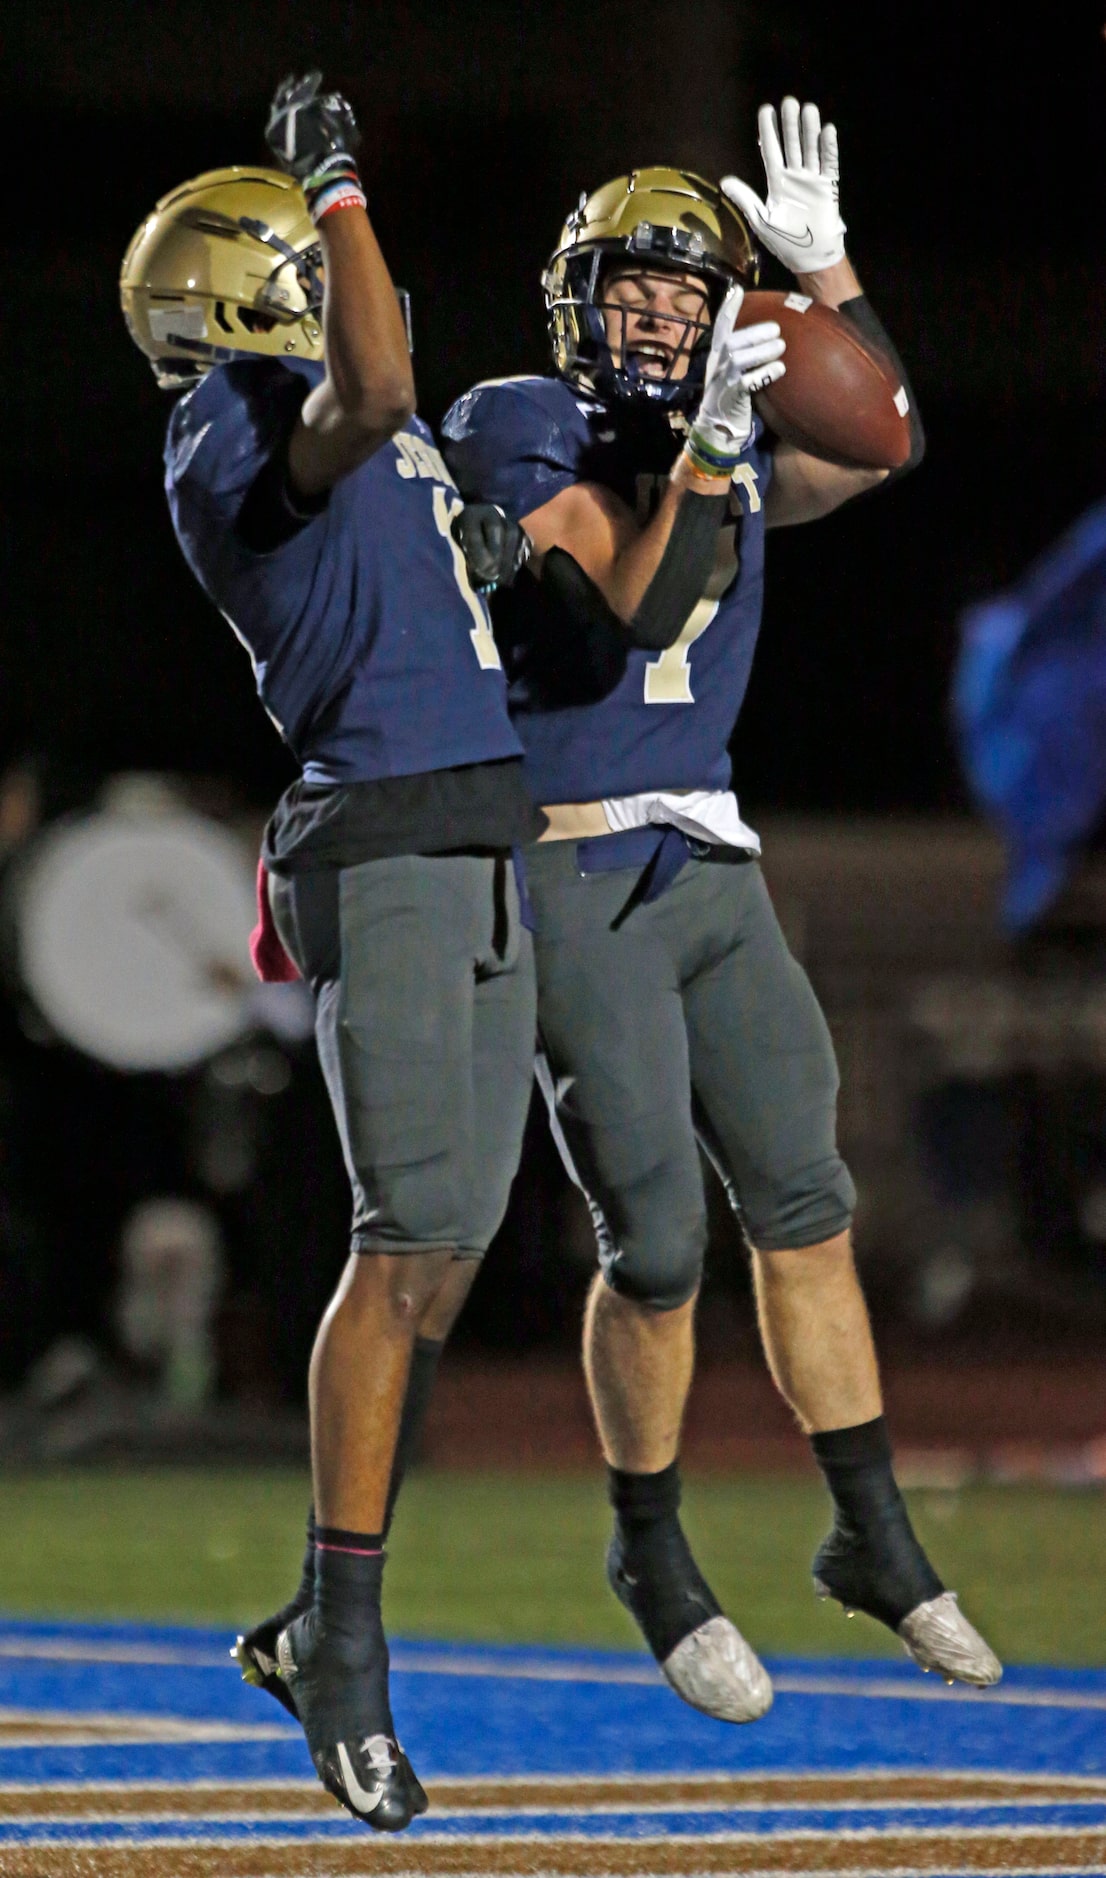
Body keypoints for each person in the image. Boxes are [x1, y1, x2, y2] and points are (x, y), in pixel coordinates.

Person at [443, 99, 1001, 1721]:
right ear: (576, 296)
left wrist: (831, 283)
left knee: (805, 1200)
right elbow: (612, 615)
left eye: (694, 295)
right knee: (660, 1235)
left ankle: (875, 1536)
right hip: (570, 864)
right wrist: (695, 440)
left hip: (710, 861)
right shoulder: (516, 421)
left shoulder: (734, 420)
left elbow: (881, 438)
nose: (666, 315)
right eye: (637, 288)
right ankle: (652, 1549)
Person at [121, 73, 542, 1830]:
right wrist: (344, 174)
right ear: (249, 285)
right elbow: (373, 379)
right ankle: (345, 1653)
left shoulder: (364, 433)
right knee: (403, 1245)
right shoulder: (230, 422)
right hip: (382, 840)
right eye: (306, 253)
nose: (344, 270)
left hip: (478, 830)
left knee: (453, 1253)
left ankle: (315, 1622)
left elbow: (472, 556)